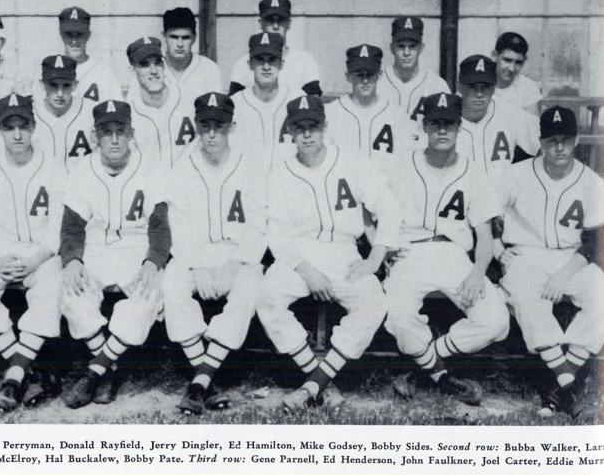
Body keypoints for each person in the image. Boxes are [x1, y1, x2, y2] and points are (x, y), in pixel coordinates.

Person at [257, 95, 401, 411]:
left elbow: (389, 206)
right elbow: (277, 232)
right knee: (267, 296)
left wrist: (375, 257)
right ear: (290, 132)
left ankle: (313, 384)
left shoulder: (352, 161)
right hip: (300, 254)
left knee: (374, 301)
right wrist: (305, 269)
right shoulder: (281, 172)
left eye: (314, 126)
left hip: (344, 251)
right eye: (300, 127)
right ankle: (320, 376)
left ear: (325, 127)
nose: (307, 134)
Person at [383, 92, 510, 406]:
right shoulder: (401, 165)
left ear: (459, 128)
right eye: (436, 123)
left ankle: (424, 367)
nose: (442, 130)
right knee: (398, 318)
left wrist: (478, 273)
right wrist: (383, 245)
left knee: (496, 320)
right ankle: (441, 375)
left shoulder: (474, 172)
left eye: (449, 124)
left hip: (453, 255)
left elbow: (483, 236)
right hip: (408, 252)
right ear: (425, 127)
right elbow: (374, 212)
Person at [496, 106, 604, 418]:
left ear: (576, 141)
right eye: (551, 140)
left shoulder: (590, 182)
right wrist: (496, 248)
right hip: (525, 255)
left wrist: (563, 274)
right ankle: (568, 382)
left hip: (571, 259)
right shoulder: (516, 174)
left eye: (565, 140)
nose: (559, 147)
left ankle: (560, 385)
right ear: (541, 142)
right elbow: (488, 213)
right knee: (526, 296)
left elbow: (596, 242)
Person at [60, 99, 171, 408]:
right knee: (71, 292)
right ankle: (110, 369)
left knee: (148, 295)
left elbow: (160, 227)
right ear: (95, 137)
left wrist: (153, 261)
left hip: (136, 250)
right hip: (95, 250)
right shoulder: (81, 170)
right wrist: (72, 261)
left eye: (120, 131)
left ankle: (95, 371)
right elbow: (71, 228)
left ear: (131, 133)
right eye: (106, 132)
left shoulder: (150, 169)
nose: (113, 139)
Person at [162, 92, 266, 415]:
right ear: (195, 126)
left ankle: (198, 382)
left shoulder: (249, 167)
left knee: (251, 282)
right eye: (205, 125)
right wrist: (195, 267)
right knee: (172, 282)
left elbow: (260, 225)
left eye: (218, 126)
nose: (211, 133)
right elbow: (175, 225)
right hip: (194, 256)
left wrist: (236, 263)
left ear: (231, 126)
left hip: (236, 255)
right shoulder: (182, 167)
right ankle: (207, 378)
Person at [0, 93, 65, 412]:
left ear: (34, 126)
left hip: (41, 252)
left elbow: (59, 226)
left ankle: (13, 376)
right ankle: (26, 368)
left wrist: (37, 258)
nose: (17, 134)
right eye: (9, 127)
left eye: (23, 126)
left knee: (51, 287)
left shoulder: (53, 165)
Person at [325, 44, 414, 174]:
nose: (365, 80)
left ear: (380, 75)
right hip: (344, 188)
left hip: (385, 188)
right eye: (359, 74)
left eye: (370, 74)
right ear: (348, 76)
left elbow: (406, 161)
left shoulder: (396, 114)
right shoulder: (331, 112)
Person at [454, 54, 540, 179]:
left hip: (501, 195)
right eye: (472, 86)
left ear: (493, 88)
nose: (479, 93)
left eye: (486, 86)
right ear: (459, 86)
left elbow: (546, 146)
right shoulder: (444, 115)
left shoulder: (511, 113)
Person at [230, 32, 304, 174]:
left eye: (272, 60)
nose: (266, 66)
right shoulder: (235, 104)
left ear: (281, 64)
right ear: (250, 64)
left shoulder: (298, 100)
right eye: (259, 60)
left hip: (289, 187)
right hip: (247, 186)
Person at [227, 0, 321, 97]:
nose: (275, 26)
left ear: (289, 23)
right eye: (270, 20)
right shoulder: (244, 63)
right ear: (260, 23)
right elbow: (234, 103)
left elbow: (314, 102)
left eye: (280, 20)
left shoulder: (305, 61)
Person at [125, 36, 196, 170]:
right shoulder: (128, 113)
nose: (154, 71)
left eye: (157, 62)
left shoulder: (189, 100)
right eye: (145, 64)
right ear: (132, 71)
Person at [379, 16, 450, 123]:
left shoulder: (437, 85)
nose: (406, 53)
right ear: (392, 48)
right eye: (401, 46)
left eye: (412, 46)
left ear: (421, 48)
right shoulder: (378, 81)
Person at [33, 54, 96, 172]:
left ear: (75, 85)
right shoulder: (29, 114)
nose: (60, 93)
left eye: (66, 85)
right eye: (53, 85)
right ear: (42, 84)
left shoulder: (91, 112)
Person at [56, 6, 123, 103]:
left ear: (88, 35)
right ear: (61, 35)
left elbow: (117, 112)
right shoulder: (48, 69)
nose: (74, 41)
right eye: (69, 34)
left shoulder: (104, 73)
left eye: (79, 34)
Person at [162, 7, 223, 103]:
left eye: (185, 38)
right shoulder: (151, 68)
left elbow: (216, 114)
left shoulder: (209, 69)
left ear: (194, 38)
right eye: (174, 37)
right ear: (164, 36)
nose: (180, 44)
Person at [492, 32, 542, 115]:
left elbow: (533, 125)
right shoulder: (479, 83)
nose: (512, 68)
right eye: (507, 60)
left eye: (518, 62)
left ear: (524, 60)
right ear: (494, 56)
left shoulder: (528, 87)